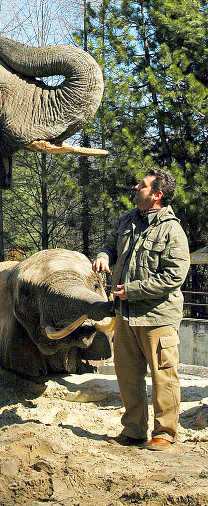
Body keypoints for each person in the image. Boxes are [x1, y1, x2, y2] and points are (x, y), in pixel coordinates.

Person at [93, 167, 190, 451]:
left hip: (157, 316)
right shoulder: (127, 220)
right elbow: (110, 246)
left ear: (157, 195)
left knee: (164, 376)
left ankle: (165, 433)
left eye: (143, 185)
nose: (136, 187)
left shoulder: (172, 230)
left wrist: (133, 291)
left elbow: (174, 276)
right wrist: (102, 256)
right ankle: (133, 430)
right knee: (127, 374)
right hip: (124, 315)